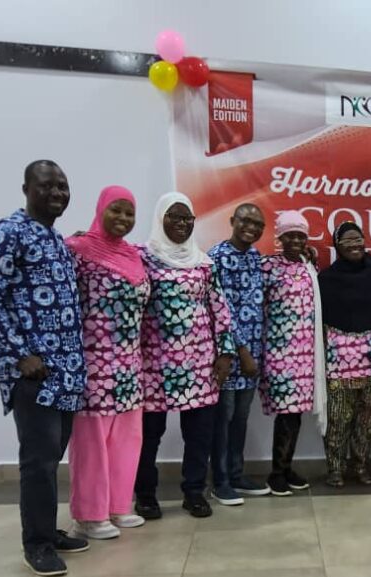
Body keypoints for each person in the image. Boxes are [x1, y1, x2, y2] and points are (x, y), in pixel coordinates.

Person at [0, 160, 89, 576]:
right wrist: (19, 354)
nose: (56, 193)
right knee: (37, 462)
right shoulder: (7, 232)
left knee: (50, 460)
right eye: (46, 185)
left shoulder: (56, 240)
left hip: (65, 374)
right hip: (34, 374)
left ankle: (47, 530)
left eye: (62, 186)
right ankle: (36, 544)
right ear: (26, 189)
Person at [134, 193, 235, 519]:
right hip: (154, 363)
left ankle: (194, 492)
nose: (181, 223)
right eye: (174, 216)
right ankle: (145, 495)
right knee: (149, 435)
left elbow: (220, 310)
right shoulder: (141, 257)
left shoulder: (204, 262)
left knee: (199, 435)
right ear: (160, 218)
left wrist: (225, 353)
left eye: (187, 218)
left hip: (199, 363)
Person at [66, 186, 151, 539]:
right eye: (116, 210)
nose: (123, 218)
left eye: (129, 213)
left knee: (127, 438)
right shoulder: (78, 250)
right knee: (92, 440)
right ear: (100, 210)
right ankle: (89, 514)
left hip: (130, 363)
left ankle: (118, 505)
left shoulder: (134, 255)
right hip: (94, 362)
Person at [318, 221, 371, 487]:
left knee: (368, 418)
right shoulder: (326, 279)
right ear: (337, 246)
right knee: (339, 417)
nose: (354, 245)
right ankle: (335, 468)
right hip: (341, 359)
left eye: (358, 239)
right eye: (347, 241)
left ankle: (360, 465)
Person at [260, 210, 326, 495]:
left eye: (301, 236)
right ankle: (276, 473)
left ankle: (285, 468)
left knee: (295, 414)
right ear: (280, 237)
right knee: (286, 414)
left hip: (306, 356)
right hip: (279, 354)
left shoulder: (309, 266)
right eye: (290, 236)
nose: (296, 241)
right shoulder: (268, 267)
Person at [208, 203, 269, 505]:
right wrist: (242, 351)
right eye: (246, 221)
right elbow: (222, 310)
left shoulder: (256, 257)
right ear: (232, 221)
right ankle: (220, 481)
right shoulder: (217, 258)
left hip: (252, 356)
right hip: (229, 356)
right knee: (224, 419)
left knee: (241, 419)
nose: (251, 228)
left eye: (258, 224)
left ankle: (236, 474)